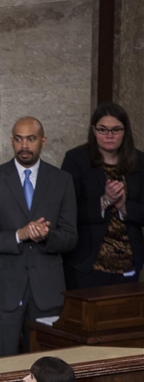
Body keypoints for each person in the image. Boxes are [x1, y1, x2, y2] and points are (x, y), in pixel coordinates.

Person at [0, 117, 77, 357]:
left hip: (47, 292)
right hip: (3, 292)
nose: (24, 146)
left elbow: (70, 237)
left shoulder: (61, 181)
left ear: (43, 141)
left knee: (46, 366)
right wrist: (19, 235)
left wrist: (47, 235)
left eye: (31, 139)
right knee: (2, 367)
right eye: (19, 139)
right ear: (12, 142)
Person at [61, 102, 144, 290]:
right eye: (103, 129)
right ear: (94, 130)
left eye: (116, 130)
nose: (109, 135)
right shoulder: (76, 159)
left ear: (125, 131)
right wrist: (105, 201)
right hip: (86, 264)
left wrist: (124, 207)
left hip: (129, 264)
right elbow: (66, 212)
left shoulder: (140, 162)